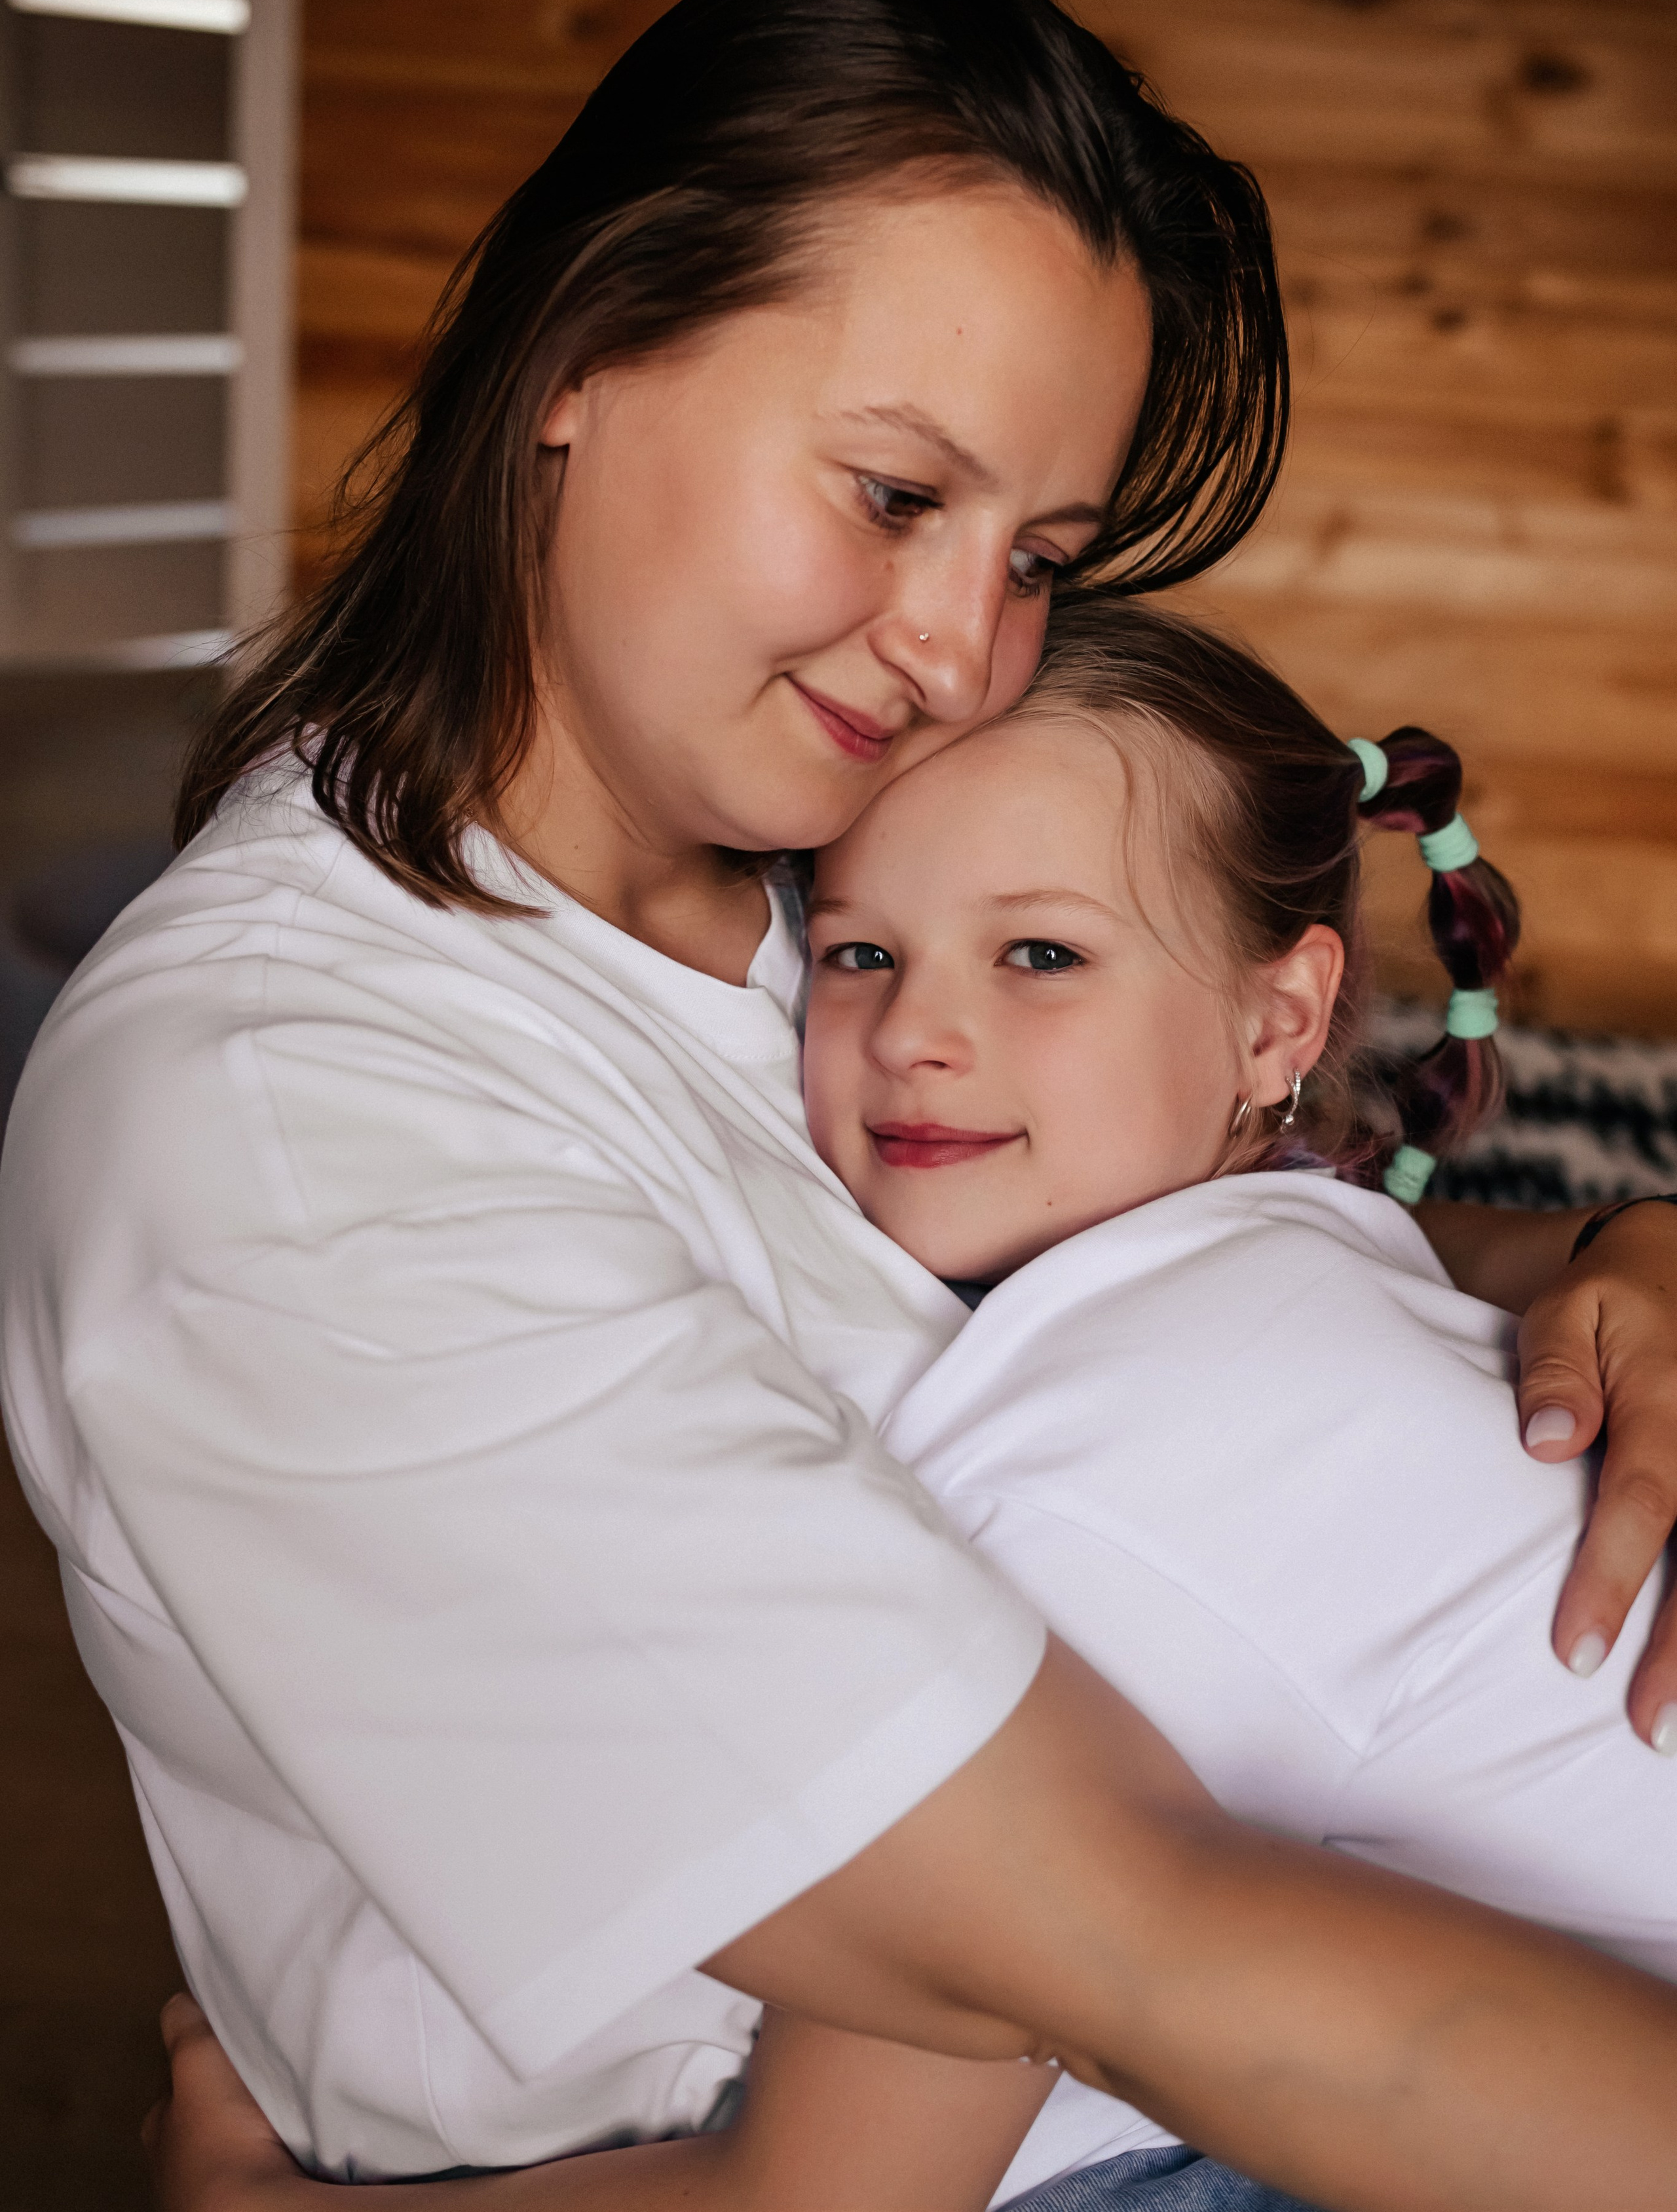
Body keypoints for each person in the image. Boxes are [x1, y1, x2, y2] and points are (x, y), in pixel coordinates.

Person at [7, 0, 1677, 2207]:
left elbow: (1179, 1249)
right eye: (897, 495)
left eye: (1038, 556)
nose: (962, 652)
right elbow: (1131, 1946)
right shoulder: (291, 1124)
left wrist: (1610, 1262)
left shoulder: (824, 867)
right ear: (584, 356)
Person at [143, 599, 1677, 2212]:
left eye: (1040, 955)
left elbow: (822, 2199)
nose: (915, 1037)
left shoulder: (1131, 1442)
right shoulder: (1282, 1262)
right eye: (860, 953)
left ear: (1277, 1020)